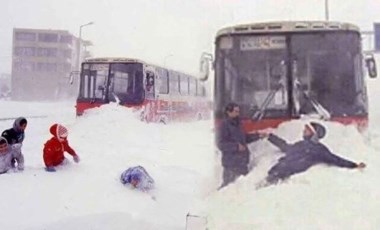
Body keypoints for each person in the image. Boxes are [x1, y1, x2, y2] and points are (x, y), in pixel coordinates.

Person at [261, 122, 365, 186]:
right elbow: (285, 147)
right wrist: (270, 137)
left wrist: (354, 165)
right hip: (277, 171)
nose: (303, 131)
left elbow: (335, 159)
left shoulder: (319, 149)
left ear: (314, 133)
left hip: (284, 175)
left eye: (306, 130)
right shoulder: (300, 144)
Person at [216, 102, 262, 188]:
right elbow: (220, 144)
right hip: (231, 164)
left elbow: (245, 138)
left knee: (242, 187)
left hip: (242, 162)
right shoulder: (224, 126)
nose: (238, 113)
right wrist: (236, 147)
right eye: (236, 111)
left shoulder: (238, 124)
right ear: (229, 112)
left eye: (238, 111)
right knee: (228, 188)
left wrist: (258, 136)